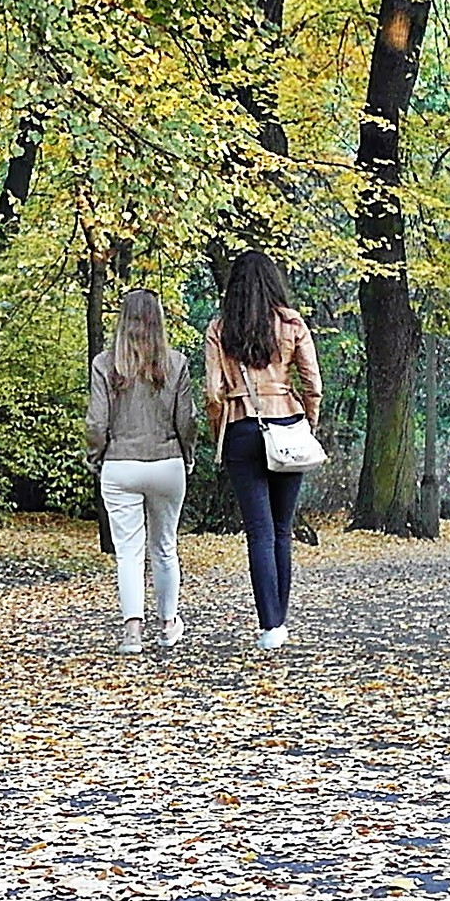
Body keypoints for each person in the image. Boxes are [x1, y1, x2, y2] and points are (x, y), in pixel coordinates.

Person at [204, 250, 324, 651]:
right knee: (282, 530)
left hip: (242, 426)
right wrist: (308, 421)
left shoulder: (221, 329)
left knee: (258, 531)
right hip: (287, 425)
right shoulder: (292, 324)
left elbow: (213, 393)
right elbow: (313, 384)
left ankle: (270, 625)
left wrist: (218, 431)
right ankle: (279, 620)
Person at [87, 289, 197, 653]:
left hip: (120, 462)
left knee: (128, 552)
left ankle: (132, 633)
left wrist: (95, 455)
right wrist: (188, 455)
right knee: (165, 547)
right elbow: (188, 419)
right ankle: (167, 624)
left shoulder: (105, 365)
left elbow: (96, 422)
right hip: (167, 462)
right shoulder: (176, 364)